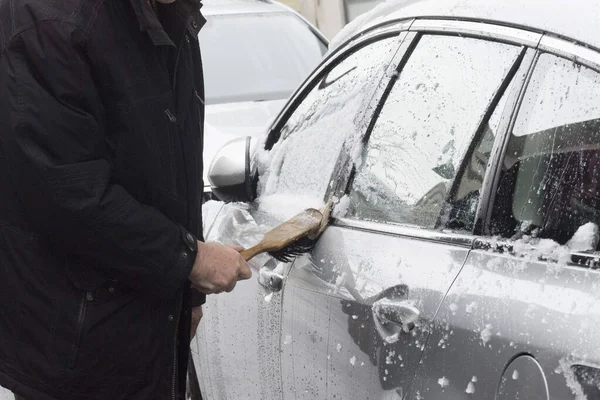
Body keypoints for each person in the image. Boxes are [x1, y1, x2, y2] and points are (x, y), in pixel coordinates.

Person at [0, 0, 252, 399]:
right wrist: (189, 259)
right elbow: (69, 194)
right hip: (75, 344)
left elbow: (175, 167)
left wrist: (188, 294)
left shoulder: (170, 13)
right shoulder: (47, 20)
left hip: (146, 321)